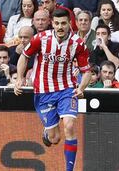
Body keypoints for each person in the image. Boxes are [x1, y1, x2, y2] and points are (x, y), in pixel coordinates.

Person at [14, 9, 91, 171]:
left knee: (69, 126)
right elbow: (24, 57)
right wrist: (20, 78)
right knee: (54, 138)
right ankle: (47, 132)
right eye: (57, 23)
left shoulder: (78, 44)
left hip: (67, 89)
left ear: (70, 23)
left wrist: (81, 87)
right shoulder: (40, 39)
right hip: (43, 91)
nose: (60, 27)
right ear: (52, 23)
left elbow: (86, 71)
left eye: (64, 23)